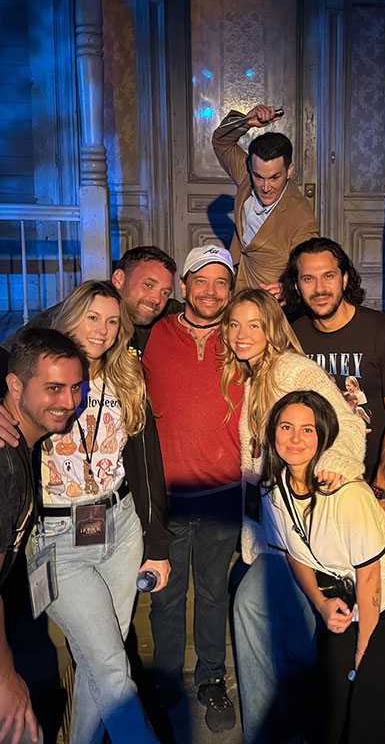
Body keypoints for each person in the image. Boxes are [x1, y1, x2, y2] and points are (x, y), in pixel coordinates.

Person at [25, 281, 171, 744]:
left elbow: (147, 462)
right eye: (92, 317)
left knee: (101, 661)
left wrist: (156, 541)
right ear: (69, 316)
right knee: (109, 667)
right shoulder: (36, 373)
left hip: (120, 526)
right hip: (57, 538)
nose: (102, 330)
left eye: (112, 321)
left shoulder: (125, 376)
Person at [220, 287, 366, 743]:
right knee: (277, 625)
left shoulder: (290, 369)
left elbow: (347, 423)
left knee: (262, 612)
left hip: (303, 528)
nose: (242, 334)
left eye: (254, 325)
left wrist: (335, 464)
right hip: (272, 529)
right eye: (234, 325)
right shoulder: (253, 374)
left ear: (272, 329)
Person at [262, 390, 385, 744]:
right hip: (356, 599)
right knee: (330, 717)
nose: (295, 438)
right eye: (286, 427)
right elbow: (295, 554)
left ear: (323, 435)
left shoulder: (345, 492)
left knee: (367, 722)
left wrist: (363, 652)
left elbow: (370, 575)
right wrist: (320, 602)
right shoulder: (275, 490)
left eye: (307, 430)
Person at [141, 244, 241, 732]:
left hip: (224, 494)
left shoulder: (243, 337)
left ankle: (211, 679)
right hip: (168, 497)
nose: (211, 291)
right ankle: (165, 684)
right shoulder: (152, 334)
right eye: (201, 280)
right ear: (183, 287)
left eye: (221, 282)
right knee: (165, 595)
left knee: (213, 593)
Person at [281, 237, 385, 505]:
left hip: (370, 481)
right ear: (296, 285)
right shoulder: (291, 337)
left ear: (344, 279)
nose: (319, 288)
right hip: (311, 482)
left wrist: (381, 488)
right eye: (308, 279)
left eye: (328, 276)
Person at [0, 329, 85, 744]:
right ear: (15, 386)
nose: (68, 402)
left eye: (75, 387)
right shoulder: (6, 466)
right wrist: (5, 678)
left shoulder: (21, 446)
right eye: (53, 388)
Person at [212, 103, 319, 299]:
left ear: (289, 171)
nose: (266, 187)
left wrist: (287, 289)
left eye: (274, 178)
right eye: (259, 177)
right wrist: (246, 121)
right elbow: (221, 142)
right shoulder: (246, 177)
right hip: (235, 288)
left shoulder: (301, 218)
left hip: (269, 302)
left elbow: (309, 269)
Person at [0, 246, 179, 360]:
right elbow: (8, 353)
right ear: (119, 279)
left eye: (165, 292)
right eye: (148, 285)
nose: (157, 299)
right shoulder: (77, 311)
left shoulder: (168, 314)